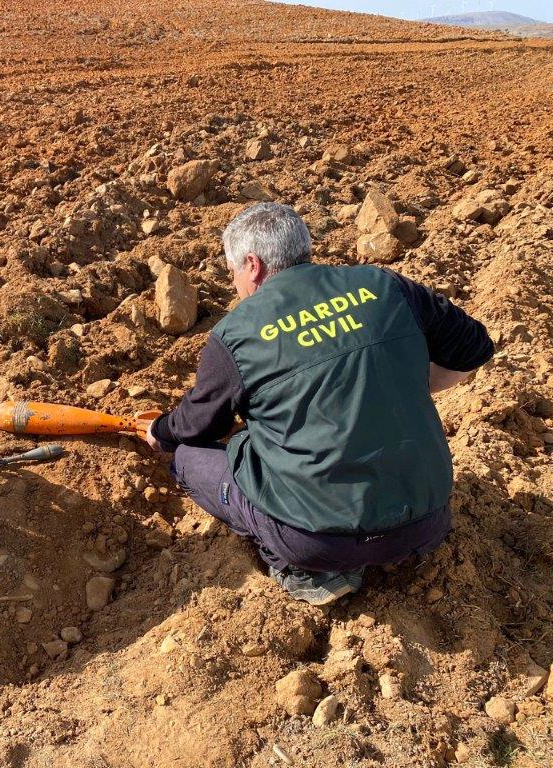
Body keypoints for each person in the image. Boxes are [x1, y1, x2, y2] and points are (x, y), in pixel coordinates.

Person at [144, 202, 493, 605]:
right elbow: (474, 349)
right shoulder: (385, 286)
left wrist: (161, 431)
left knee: (189, 457)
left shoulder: (237, 333)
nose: (235, 283)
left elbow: (198, 427)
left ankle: (301, 569)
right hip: (427, 522)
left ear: (252, 265)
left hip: (319, 543)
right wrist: (401, 383)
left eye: (232, 271)